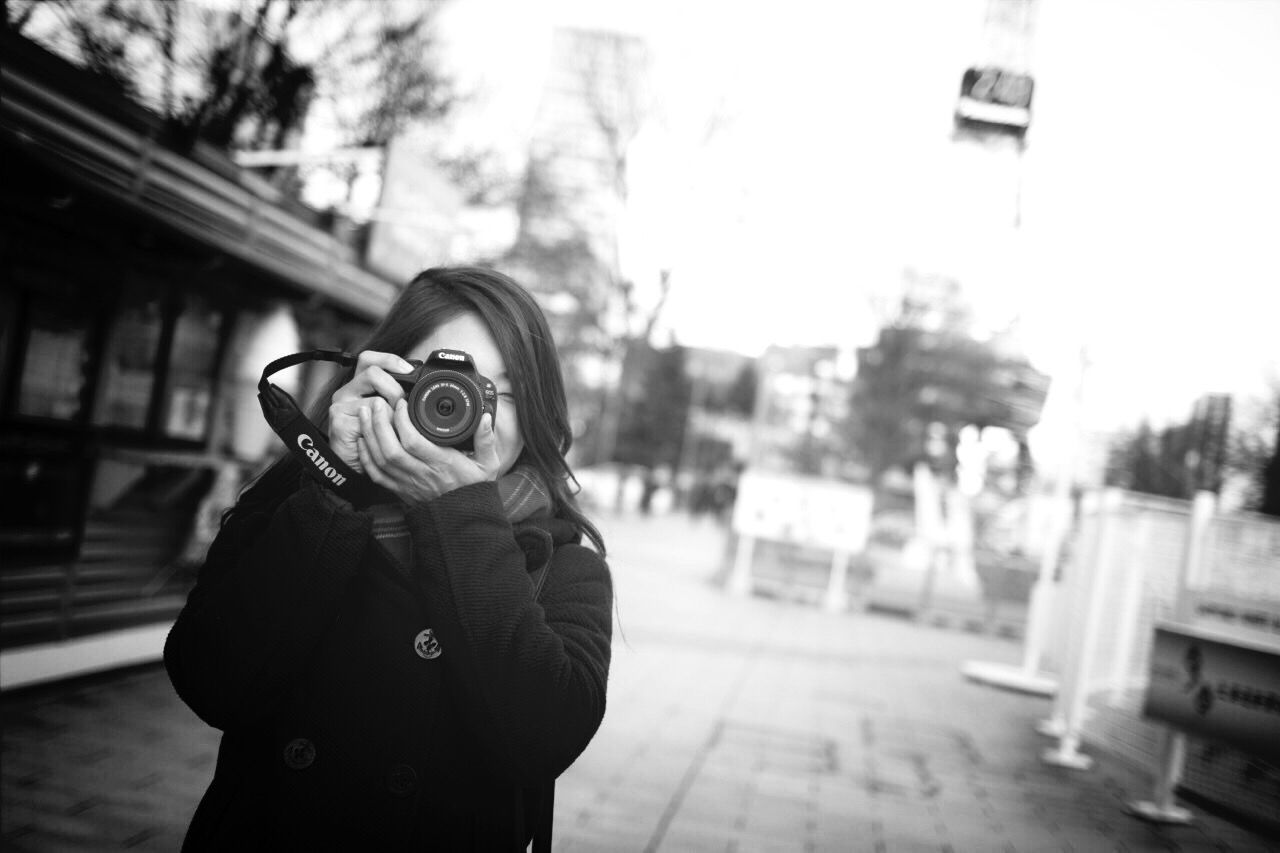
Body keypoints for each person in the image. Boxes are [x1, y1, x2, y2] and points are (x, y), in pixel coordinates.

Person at [165, 266, 612, 851]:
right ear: (377, 380)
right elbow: (212, 684)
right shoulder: (296, 507)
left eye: (499, 392)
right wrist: (333, 489)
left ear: (537, 409)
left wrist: (459, 516)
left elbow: (542, 741)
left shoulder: (567, 568)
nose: (465, 409)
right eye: (433, 381)